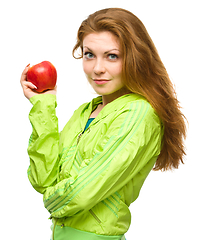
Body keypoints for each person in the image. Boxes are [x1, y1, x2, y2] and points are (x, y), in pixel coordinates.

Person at [20, 8, 187, 240]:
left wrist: (50, 200)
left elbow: (81, 193)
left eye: (112, 56)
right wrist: (43, 104)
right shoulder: (86, 111)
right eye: (89, 54)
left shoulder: (138, 113)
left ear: (135, 58)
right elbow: (42, 179)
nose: (97, 68)